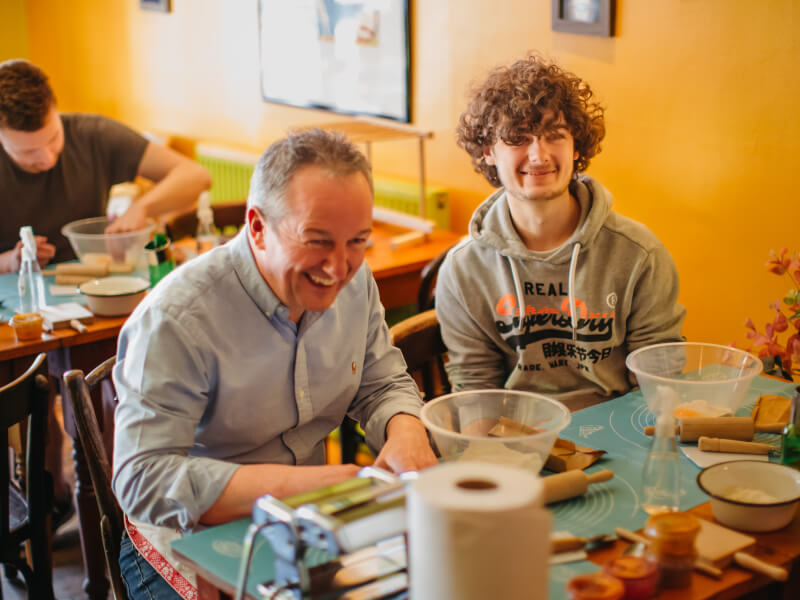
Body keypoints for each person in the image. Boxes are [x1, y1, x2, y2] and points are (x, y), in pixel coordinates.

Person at [112, 129, 437, 599]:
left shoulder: (355, 278)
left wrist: (406, 433)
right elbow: (143, 479)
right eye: (317, 241)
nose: (339, 267)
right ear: (258, 227)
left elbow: (381, 380)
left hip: (308, 522)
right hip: (189, 539)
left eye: (357, 241)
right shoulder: (177, 319)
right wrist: (324, 483)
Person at [436, 54, 685, 411]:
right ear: (489, 151)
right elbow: (476, 390)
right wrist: (486, 461)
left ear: (576, 146)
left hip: (617, 431)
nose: (538, 156)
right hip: (515, 436)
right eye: (518, 138)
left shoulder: (639, 254)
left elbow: (659, 382)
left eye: (554, 136)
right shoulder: (462, 271)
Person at [0, 59, 211, 273]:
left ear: (56, 111)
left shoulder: (92, 134)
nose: (47, 159)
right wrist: (10, 261)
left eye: (54, 139)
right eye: (27, 152)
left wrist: (142, 208)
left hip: (90, 281)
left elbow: (197, 176)